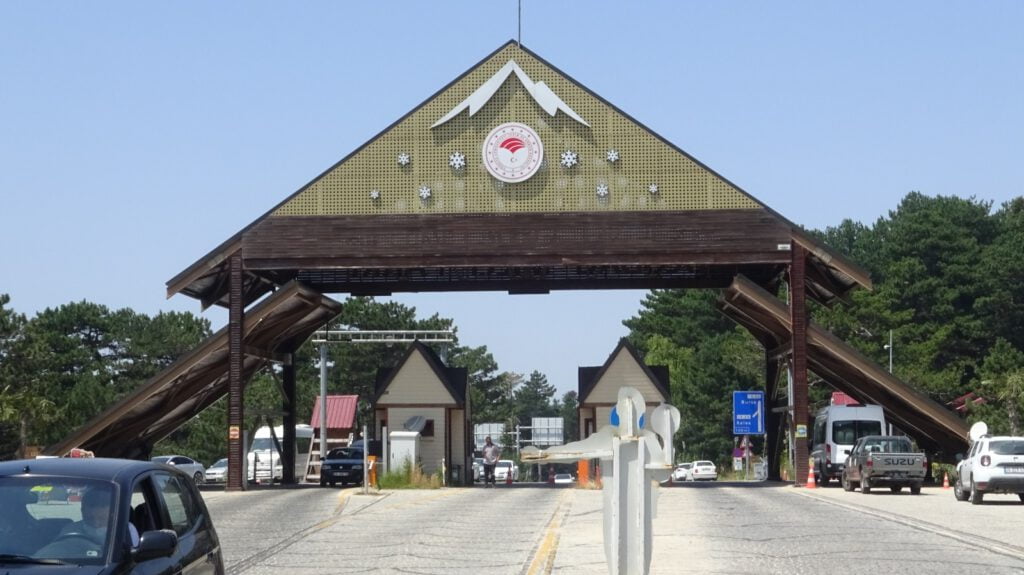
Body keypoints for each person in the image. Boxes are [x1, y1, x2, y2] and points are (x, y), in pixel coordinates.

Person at [58, 487, 137, 547]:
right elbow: (57, 550)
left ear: (112, 513)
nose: (96, 523)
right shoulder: (70, 529)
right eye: (90, 518)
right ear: (82, 511)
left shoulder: (125, 530)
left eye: (101, 518)